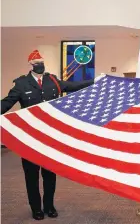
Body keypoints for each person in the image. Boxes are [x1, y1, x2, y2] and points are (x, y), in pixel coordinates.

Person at [1, 50, 104, 220]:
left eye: (42, 62)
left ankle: (49, 206)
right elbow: (7, 103)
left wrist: (94, 81)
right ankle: (36, 209)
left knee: (49, 175)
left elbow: (72, 87)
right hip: (30, 140)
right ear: (31, 65)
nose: (40, 65)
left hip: (50, 138)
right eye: (36, 63)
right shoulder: (21, 84)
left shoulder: (53, 81)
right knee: (31, 176)